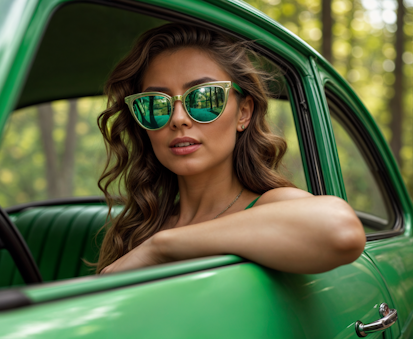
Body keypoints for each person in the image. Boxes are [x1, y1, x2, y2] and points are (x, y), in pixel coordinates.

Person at [96, 24, 366, 275]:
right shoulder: (138, 227)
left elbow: (341, 230)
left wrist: (160, 247)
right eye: (155, 104)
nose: (178, 118)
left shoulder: (269, 205)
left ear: (243, 113)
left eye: (204, 98)